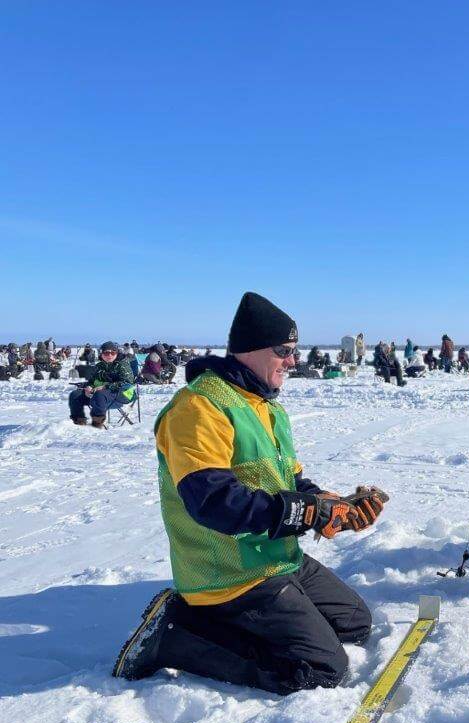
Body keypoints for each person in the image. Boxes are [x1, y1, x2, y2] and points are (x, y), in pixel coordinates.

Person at [111, 292, 388, 695]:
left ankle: (242, 624)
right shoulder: (199, 407)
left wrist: (333, 504)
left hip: (276, 556)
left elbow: (288, 482)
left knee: (354, 623)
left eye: (295, 350)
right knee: (323, 667)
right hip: (229, 570)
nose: (293, 361)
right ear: (249, 350)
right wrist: (308, 513)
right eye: (284, 350)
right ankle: (177, 635)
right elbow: (212, 502)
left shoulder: (266, 406)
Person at [68, 341, 136, 427]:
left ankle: (97, 423)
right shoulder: (99, 366)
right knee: (75, 394)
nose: (110, 355)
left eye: (113, 352)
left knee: (100, 394)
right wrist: (89, 386)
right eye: (106, 353)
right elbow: (92, 380)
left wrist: (105, 386)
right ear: (102, 353)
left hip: (123, 394)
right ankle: (78, 422)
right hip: (100, 396)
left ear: (117, 353)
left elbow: (127, 382)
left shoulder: (122, 364)